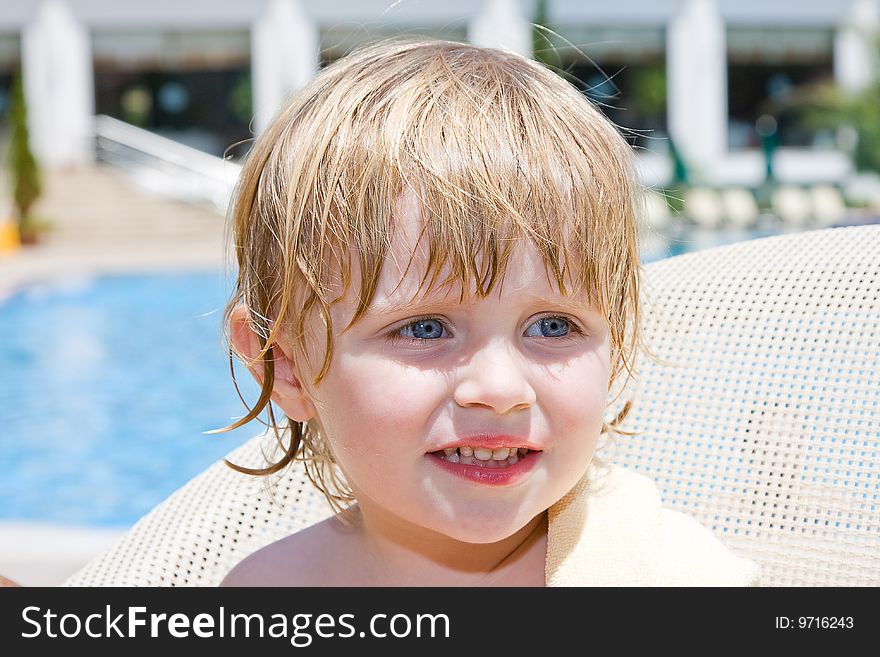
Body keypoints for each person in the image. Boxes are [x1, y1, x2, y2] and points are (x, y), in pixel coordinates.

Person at [218, 38, 760, 586]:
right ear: (284, 364)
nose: (500, 390)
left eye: (553, 326)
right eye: (424, 329)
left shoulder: (668, 574)